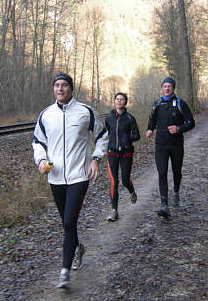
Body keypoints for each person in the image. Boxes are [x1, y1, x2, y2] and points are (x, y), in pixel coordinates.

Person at [32, 73, 108, 288]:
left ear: (71, 89)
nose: (60, 89)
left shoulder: (84, 112)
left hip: (79, 175)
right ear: (53, 89)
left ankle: (64, 271)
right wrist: (41, 159)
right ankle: (78, 248)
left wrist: (95, 159)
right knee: (68, 223)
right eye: (57, 85)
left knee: (68, 222)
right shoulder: (46, 115)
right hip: (55, 177)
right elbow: (38, 141)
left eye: (64, 85)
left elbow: (102, 136)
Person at [145, 77, 195, 218]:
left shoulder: (180, 103)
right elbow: (152, 120)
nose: (167, 89)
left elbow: (191, 122)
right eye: (164, 86)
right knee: (162, 173)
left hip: (176, 144)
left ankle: (176, 191)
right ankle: (164, 205)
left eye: (169, 86)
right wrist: (149, 130)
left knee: (176, 171)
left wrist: (179, 128)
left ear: (173, 88)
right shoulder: (157, 104)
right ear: (161, 88)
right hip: (161, 145)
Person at [105, 93, 140, 221]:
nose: (119, 101)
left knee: (125, 180)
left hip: (126, 153)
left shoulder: (130, 118)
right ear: (114, 101)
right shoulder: (109, 117)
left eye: (122, 99)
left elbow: (137, 135)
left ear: (125, 102)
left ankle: (132, 191)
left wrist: (128, 138)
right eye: (117, 99)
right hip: (112, 152)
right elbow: (107, 132)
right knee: (114, 182)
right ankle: (114, 211)